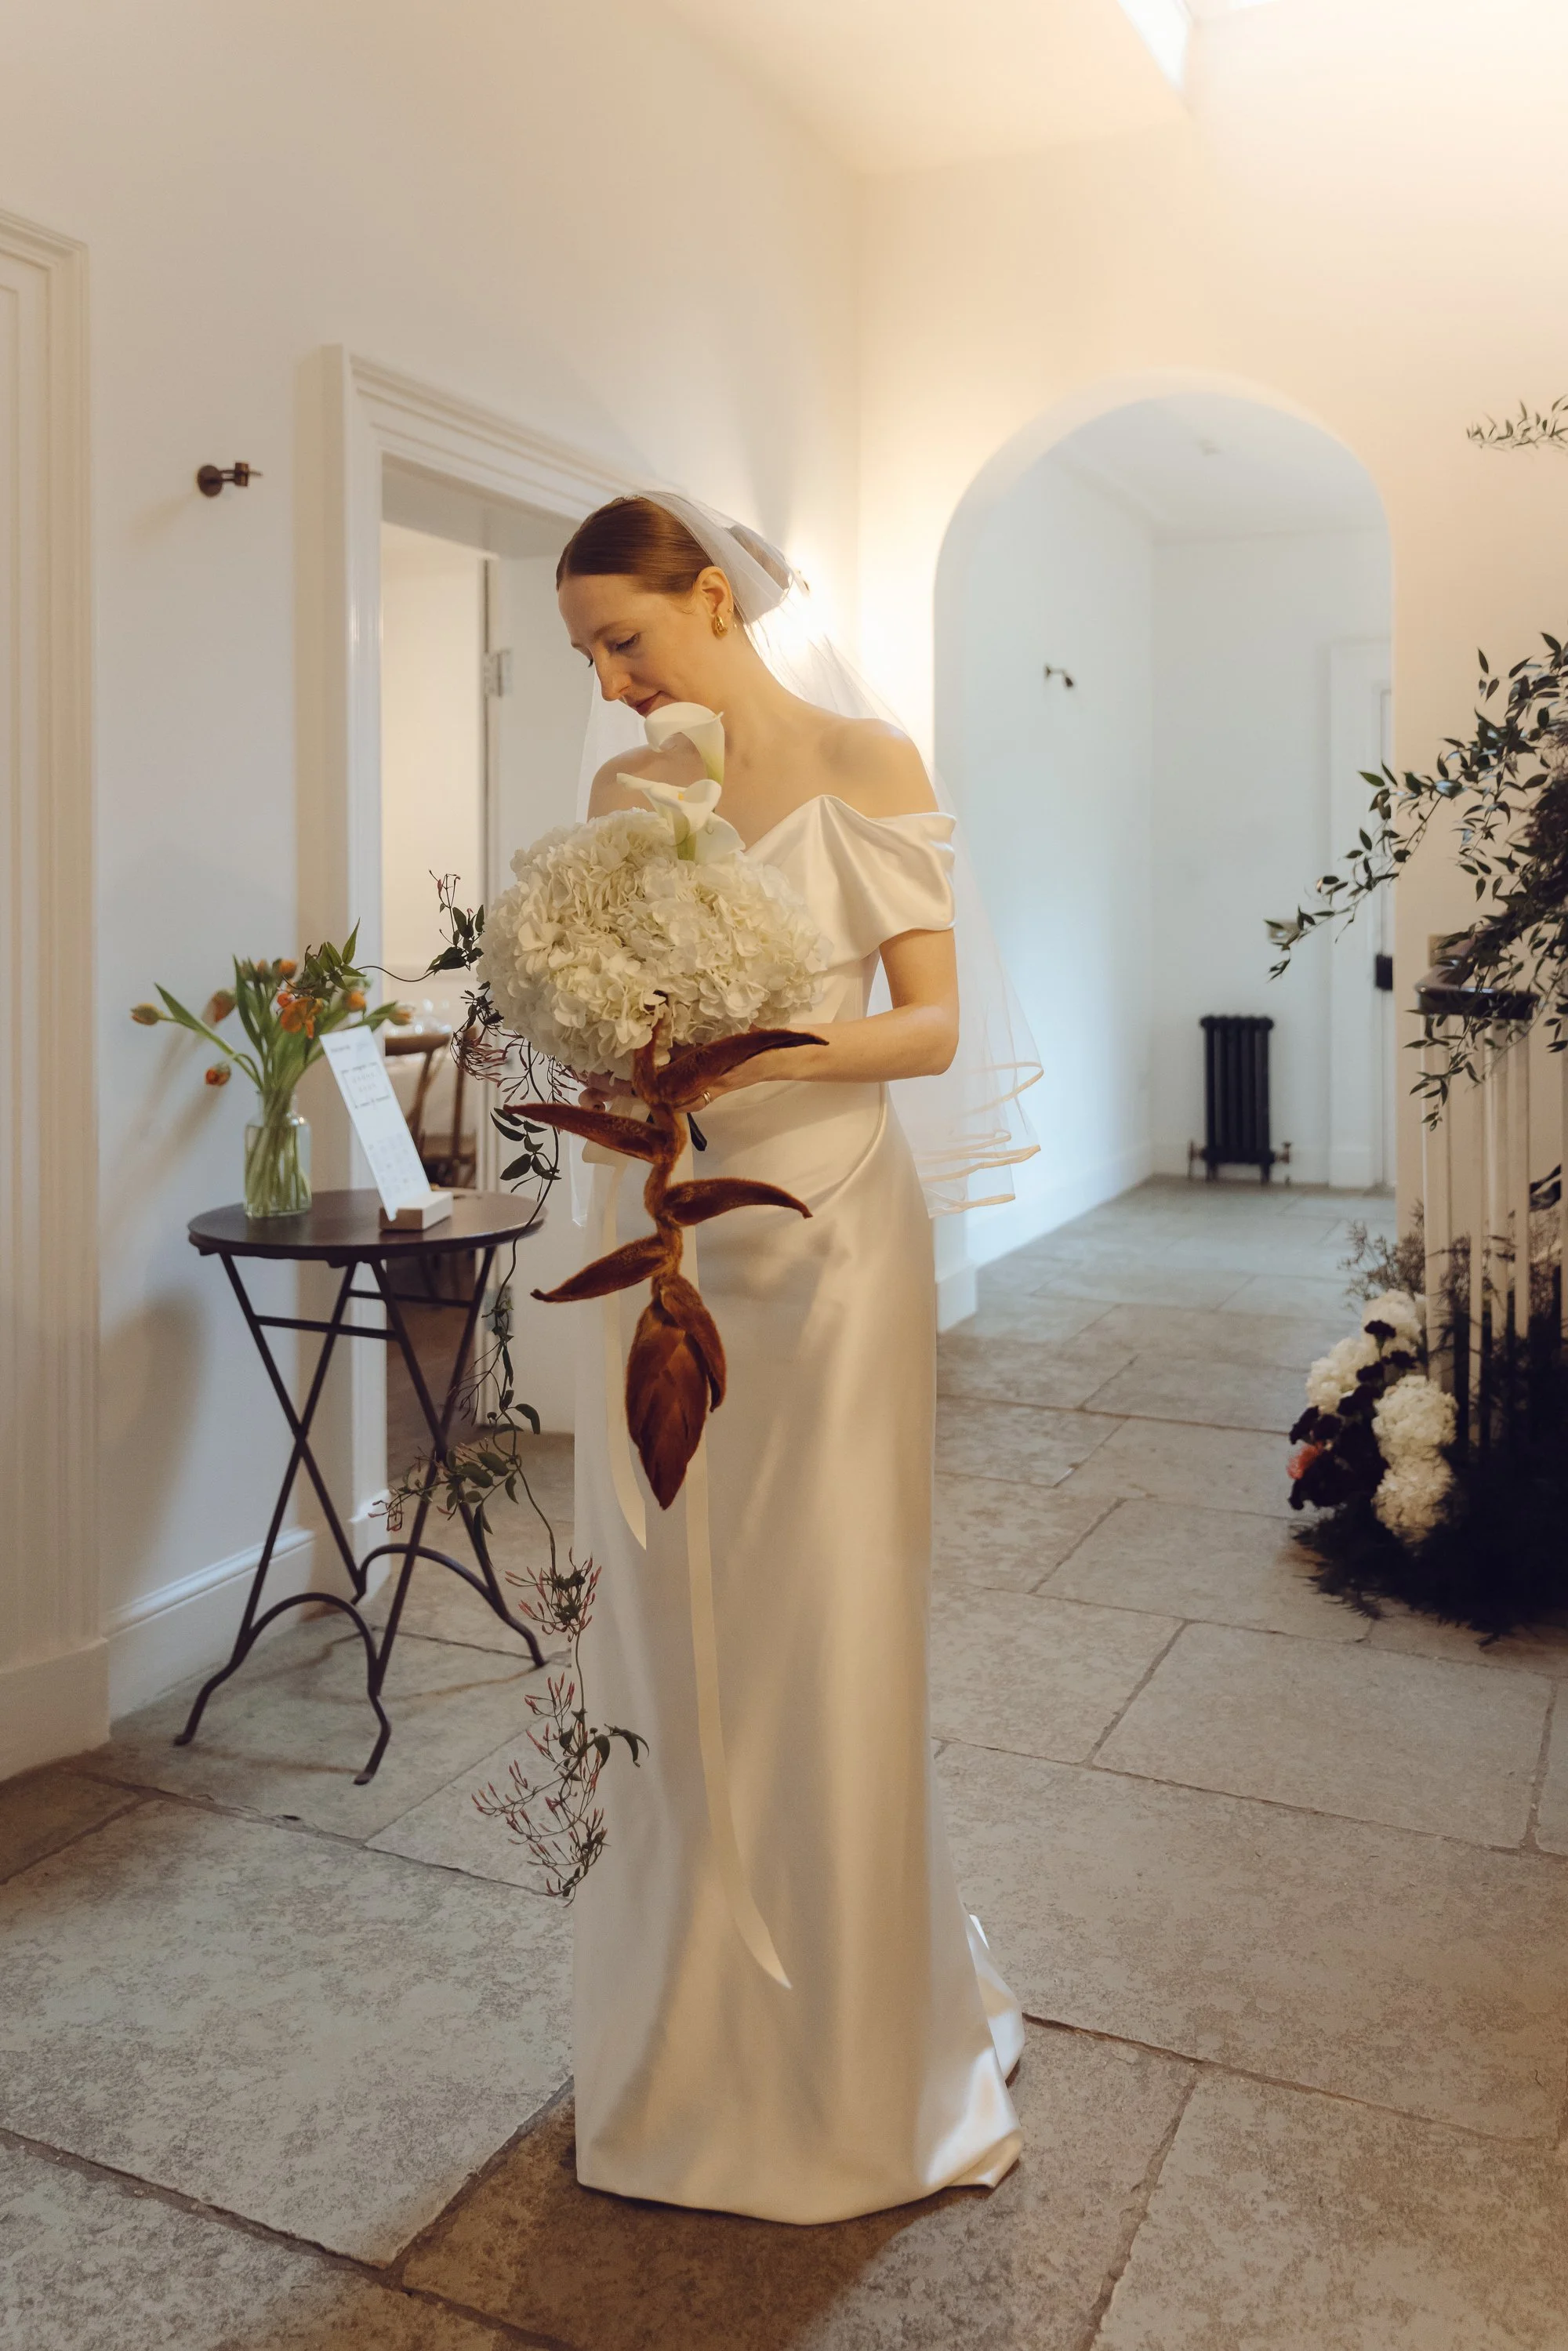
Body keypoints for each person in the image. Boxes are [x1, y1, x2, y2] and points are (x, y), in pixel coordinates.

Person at [554, 493, 1025, 2224]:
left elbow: (932, 1021)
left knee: (824, 1612)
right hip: (671, 1243)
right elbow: (607, 1022)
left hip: (828, 1242)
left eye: (624, 640)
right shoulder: (628, 799)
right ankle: (692, 2037)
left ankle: (847, 2047)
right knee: (679, 1623)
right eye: (587, 655)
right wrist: (613, 1060)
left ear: (712, 598)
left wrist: (757, 1049)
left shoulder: (861, 760)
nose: (610, 684)